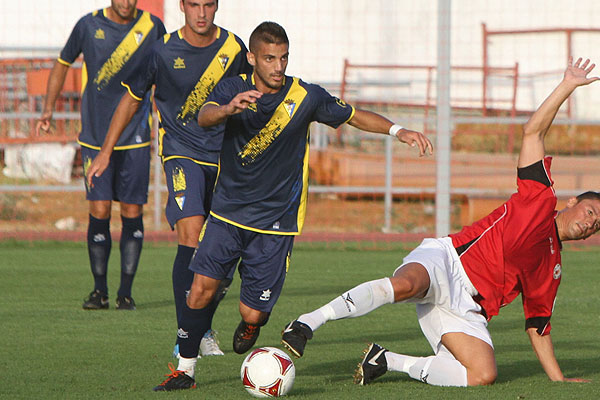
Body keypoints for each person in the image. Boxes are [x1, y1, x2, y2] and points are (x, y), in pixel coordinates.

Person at [281, 57, 600, 387]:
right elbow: (532, 131)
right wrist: (567, 86)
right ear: (573, 202)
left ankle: (387, 360)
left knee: (483, 375)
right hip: (448, 261)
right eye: (591, 211)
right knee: (407, 285)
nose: (591, 223)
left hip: (466, 307)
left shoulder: (552, 267)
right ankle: (307, 322)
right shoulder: (540, 196)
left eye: (597, 225)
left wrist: (559, 380)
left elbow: (538, 325)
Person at [152, 21, 433, 391]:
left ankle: (252, 321)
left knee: (252, 311)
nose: (277, 66)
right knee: (201, 288)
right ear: (252, 57)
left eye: (283, 58)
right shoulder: (233, 87)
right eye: (269, 58)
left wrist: (399, 131)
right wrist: (226, 110)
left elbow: (352, 115)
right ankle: (184, 371)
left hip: (276, 223)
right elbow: (204, 115)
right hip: (227, 213)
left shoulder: (305, 97)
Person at [85, 0, 251, 357]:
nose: (202, 13)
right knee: (190, 235)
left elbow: (255, 95)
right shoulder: (161, 51)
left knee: (219, 258)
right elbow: (131, 100)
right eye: (194, 5)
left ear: (217, 6)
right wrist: (105, 150)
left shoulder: (235, 48)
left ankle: (201, 324)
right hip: (181, 154)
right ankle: (188, 336)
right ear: (182, 6)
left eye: (209, 5)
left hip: (224, 160)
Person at [36, 0, 165, 310]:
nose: (125, 2)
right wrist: (49, 108)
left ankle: (126, 293)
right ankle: (99, 291)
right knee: (100, 209)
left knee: (132, 212)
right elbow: (62, 62)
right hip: (95, 136)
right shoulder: (88, 25)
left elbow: (166, 73)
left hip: (134, 136)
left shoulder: (152, 27)